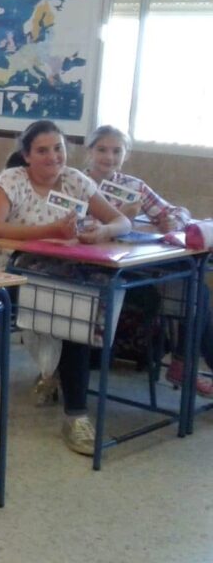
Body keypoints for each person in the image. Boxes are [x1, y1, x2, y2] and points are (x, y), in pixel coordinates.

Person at [0, 120, 130, 455]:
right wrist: (51, 231)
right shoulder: (12, 180)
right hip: (5, 273)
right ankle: (76, 415)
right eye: (42, 150)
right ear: (27, 156)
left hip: (59, 271)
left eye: (58, 148)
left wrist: (101, 233)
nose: (53, 156)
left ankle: (61, 381)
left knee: (90, 306)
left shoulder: (75, 179)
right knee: (72, 314)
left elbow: (122, 221)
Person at [84, 125, 207, 396]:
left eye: (117, 151)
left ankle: (182, 362)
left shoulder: (132, 185)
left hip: (133, 263)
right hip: (92, 268)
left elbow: (176, 210)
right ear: (89, 151)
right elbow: (78, 227)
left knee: (196, 287)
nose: (109, 157)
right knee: (160, 294)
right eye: (102, 149)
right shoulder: (78, 183)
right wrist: (119, 217)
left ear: (126, 154)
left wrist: (173, 220)